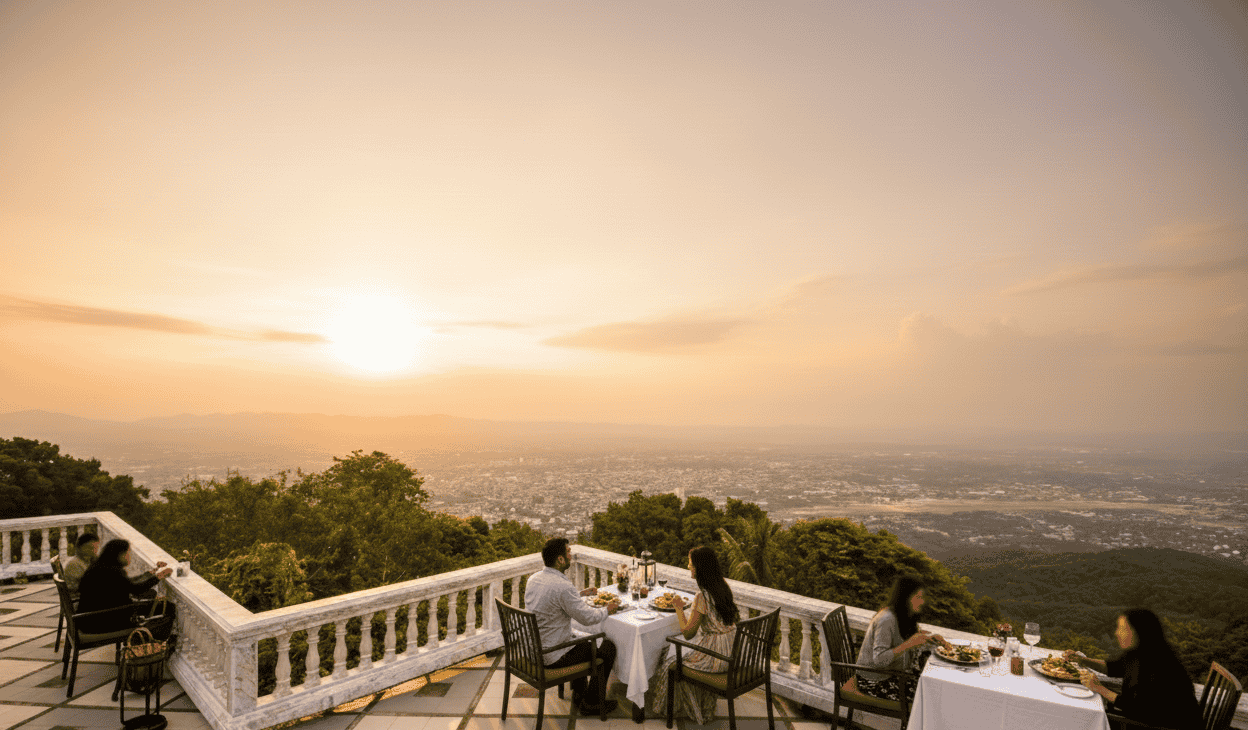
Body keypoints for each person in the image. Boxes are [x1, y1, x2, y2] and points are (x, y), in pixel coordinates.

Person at [523, 538, 621, 715]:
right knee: (607, 648)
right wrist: (608, 609)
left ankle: (579, 693)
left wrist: (580, 594)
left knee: (581, 641)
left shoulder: (534, 579)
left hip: (533, 650)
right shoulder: (562, 586)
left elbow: (554, 600)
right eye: (568, 552)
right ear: (560, 559)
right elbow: (587, 618)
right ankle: (592, 703)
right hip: (551, 656)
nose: (571, 555)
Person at [1064, 609, 1201, 729]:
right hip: (1149, 721)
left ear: (1140, 632)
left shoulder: (1157, 665)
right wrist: (1082, 660)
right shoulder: (1142, 652)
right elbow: (1112, 668)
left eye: (1123, 629)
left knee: (1078, 719)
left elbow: (1136, 709)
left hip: (1158, 726)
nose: (1117, 633)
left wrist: (1099, 688)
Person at [650, 546, 740, 724]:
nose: (688, 567)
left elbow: (688, 634)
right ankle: (699, 702)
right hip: (732, 651)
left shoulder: (702, 597)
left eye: (691, 564)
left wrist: (678, 609)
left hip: (716, 656)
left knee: (669, 664)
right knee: (679, 652)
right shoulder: (723, 588)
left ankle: (670, 709)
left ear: (700, 568)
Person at [853, 575, 942, 703]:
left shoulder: (904, 616)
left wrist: (931, 639)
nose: (922, 602)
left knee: (934, 686)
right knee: (929, 696)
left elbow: (912, 639)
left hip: (893, 673)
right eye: (918, 597)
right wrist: (908, 644)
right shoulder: (886, 619)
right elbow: (879, 660)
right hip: (873, 680)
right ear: (905, 598)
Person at [76, 539, 173, 634]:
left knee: (150, 596)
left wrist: (151, 573)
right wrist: (159, 576)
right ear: (119, 555)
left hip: (88, 618)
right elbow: (137, 590)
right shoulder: (113, 572)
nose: (129, 556)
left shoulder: (99, 567)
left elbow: (127, 584)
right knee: (167, 607)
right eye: (128, 553)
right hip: (101, 621)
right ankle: (153, 638)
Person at [61, 532, 100, 599]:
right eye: (90, 548)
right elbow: (86, 586)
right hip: (80, 600)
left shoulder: (88, 561)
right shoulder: (74, 564)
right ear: (80, 547)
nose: (94, 551)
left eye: (96, 548)